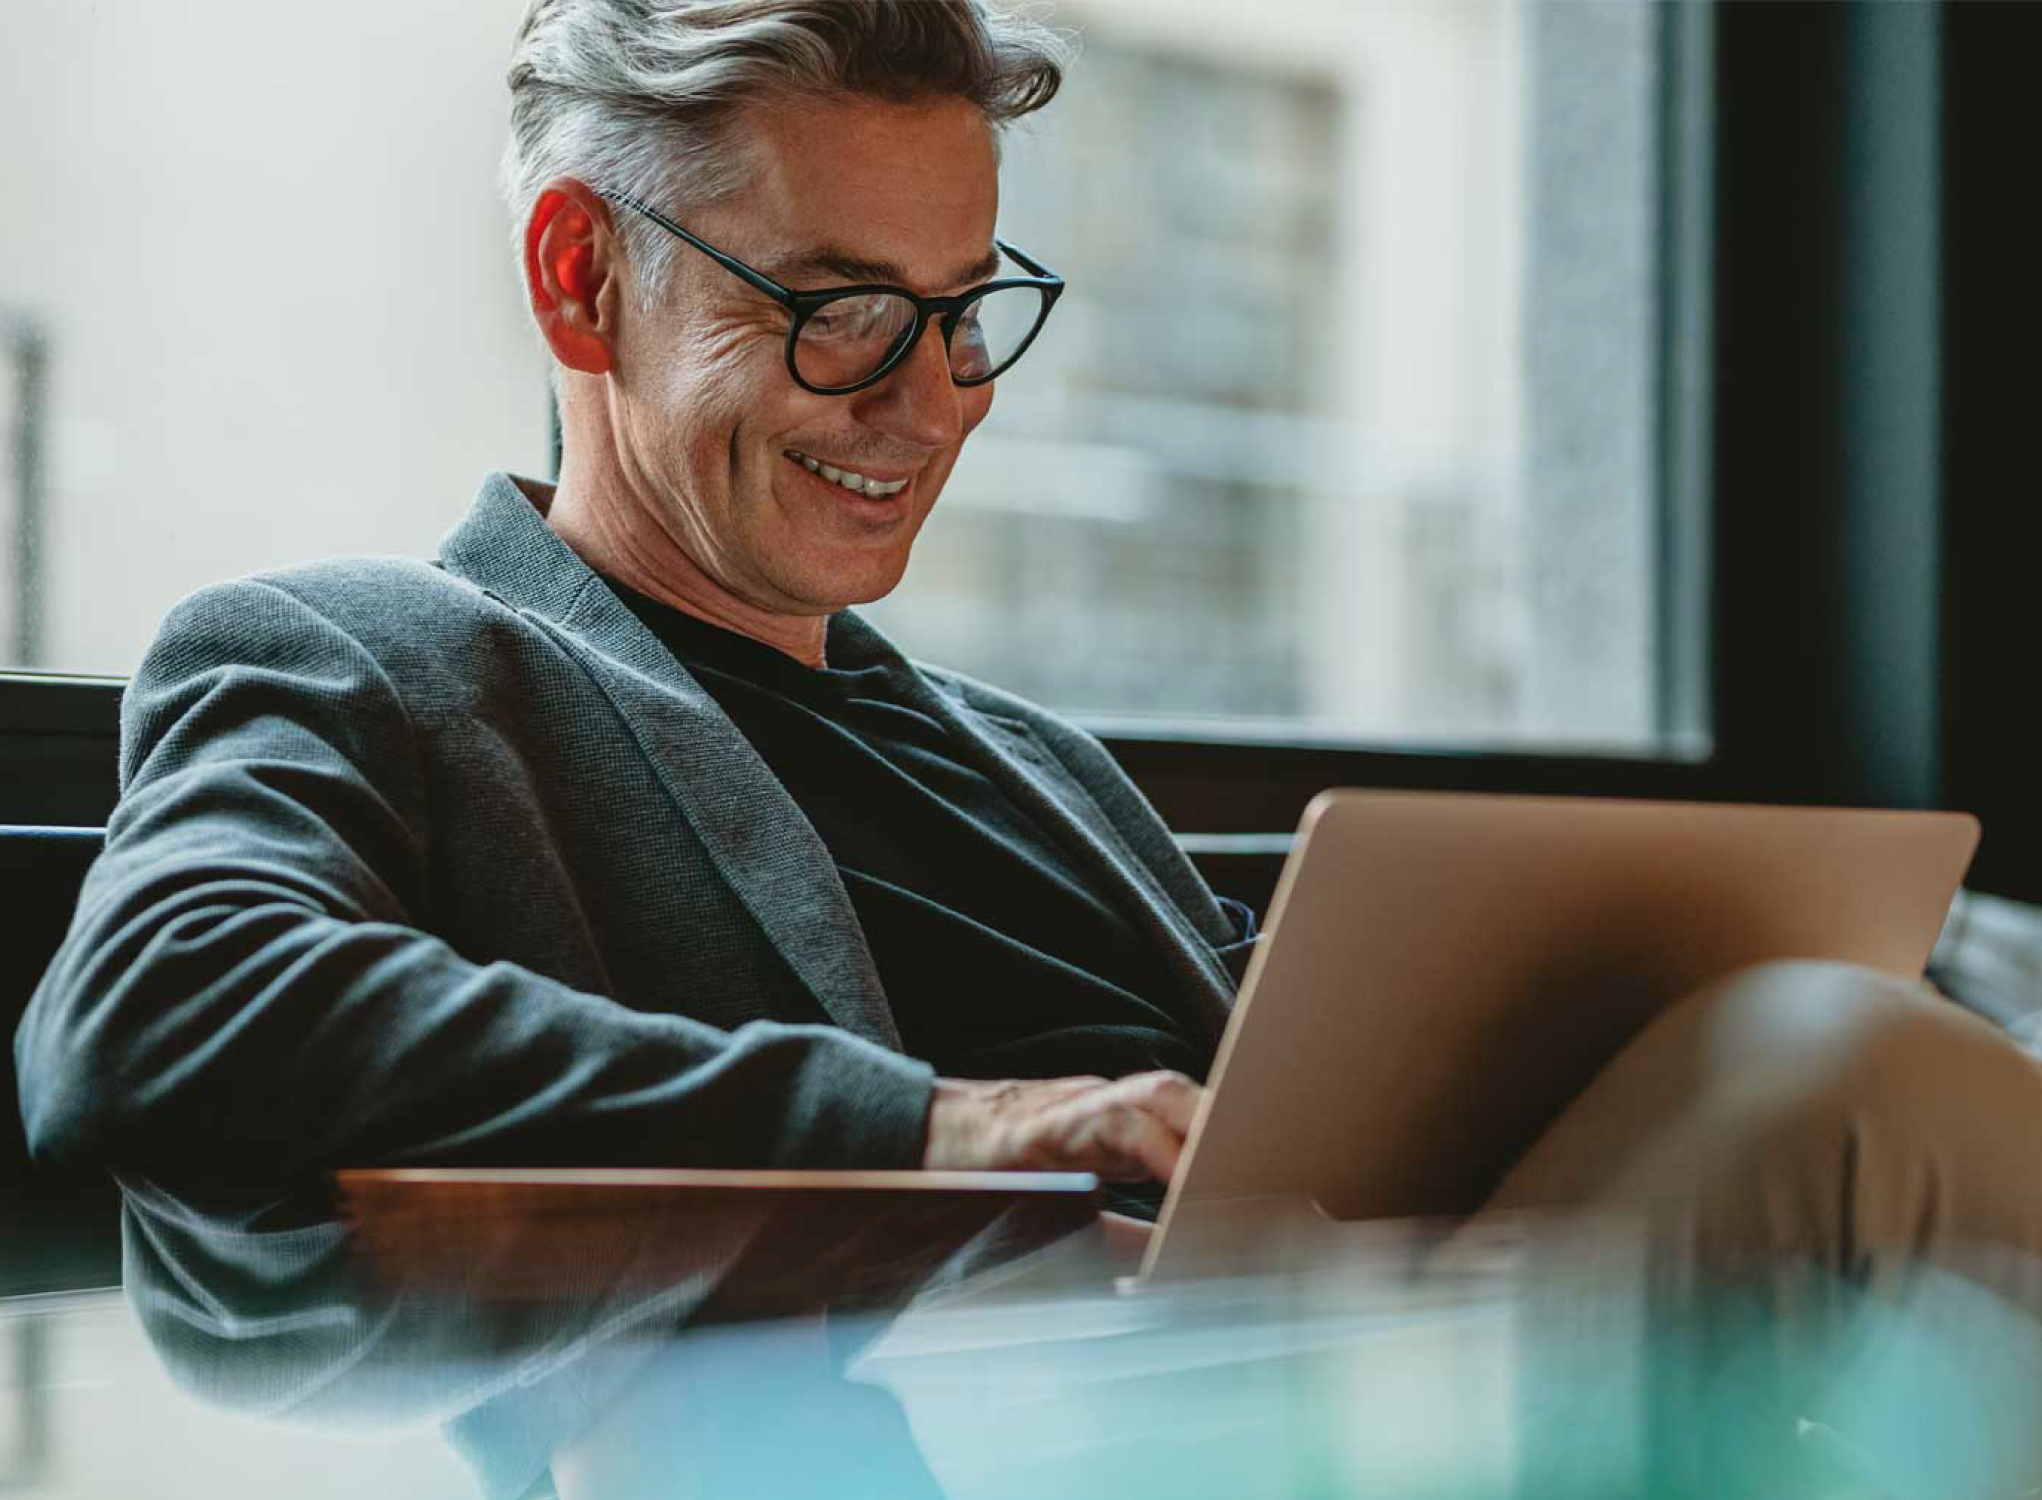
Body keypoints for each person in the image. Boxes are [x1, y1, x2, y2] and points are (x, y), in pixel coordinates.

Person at [17, 2, 2042, 1449]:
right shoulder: (360, 655)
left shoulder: (1036, 771)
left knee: (1850, 1032)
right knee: (1827, 1070)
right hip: (941, 1424)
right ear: (579, 277)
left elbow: (1305, 1109)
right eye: (837, 308)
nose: (931, 403)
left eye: (965, 306)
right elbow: (167, 1014)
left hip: (1367, 1365)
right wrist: (944, 1126)